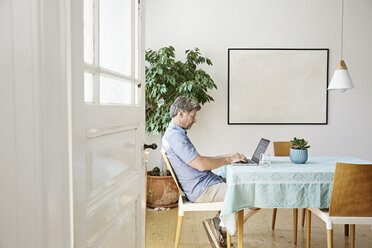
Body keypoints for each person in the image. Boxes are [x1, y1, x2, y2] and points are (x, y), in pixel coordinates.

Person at [162, 96, 259, 248]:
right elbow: (201, 165)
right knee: (254, 194)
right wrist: (228, 158)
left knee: (246, 187)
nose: (195, 120)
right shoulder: (176, 137)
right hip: (202, 190)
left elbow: (199, 159)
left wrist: (230, 156)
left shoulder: (174, 133)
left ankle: (217, 225)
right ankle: (220, 228)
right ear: (181, 114)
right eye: (193, 116)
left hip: (203, 184)